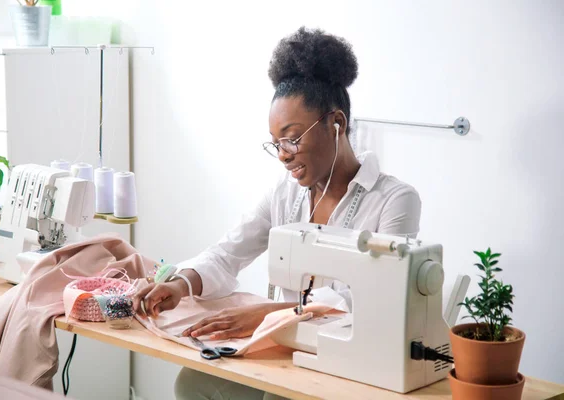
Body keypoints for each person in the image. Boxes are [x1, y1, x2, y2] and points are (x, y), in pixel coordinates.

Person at [133, 26, 421, 399]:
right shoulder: (286, 196)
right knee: (192, 382)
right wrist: (180, 284)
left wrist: (272, 313)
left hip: (351, 364)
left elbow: (370, 301)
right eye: (276, 143)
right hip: (291, 352)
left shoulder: (394, 200)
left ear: (337, 124)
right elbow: (227, 254)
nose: (284, 153)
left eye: (293, 137)